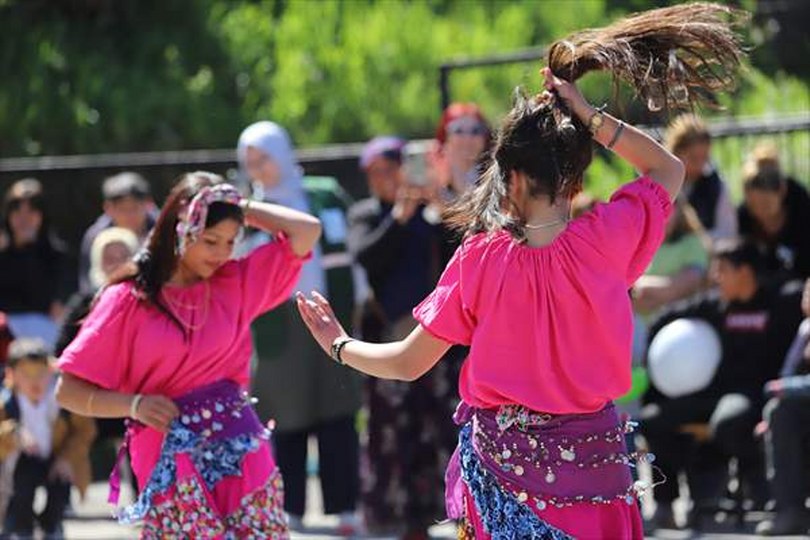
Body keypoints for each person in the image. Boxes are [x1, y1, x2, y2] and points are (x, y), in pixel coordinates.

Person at [296, 5, 745, 536]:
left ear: (508, 179)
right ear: (575, 180)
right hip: (593, 469)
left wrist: (338, 344)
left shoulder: (481, 259)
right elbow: (666, 168)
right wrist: (590, 115)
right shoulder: (607, 237)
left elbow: (406, 362)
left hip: (504, 475)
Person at [55, 171, 321, 537]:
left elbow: (306, 231)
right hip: (166, 447)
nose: (223, 252)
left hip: (237, 441)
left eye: (230, 241)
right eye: (211, 240)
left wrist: (236, 204)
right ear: (181, 227)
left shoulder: (235, 282)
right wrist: (134, 405)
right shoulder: (129, 299)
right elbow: (67, 391)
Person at [237, 122, 363, 533]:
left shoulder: (324, 194)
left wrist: (358, 299)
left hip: (329, 317)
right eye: (250, 161)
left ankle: (345, 507)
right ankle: (289, 508)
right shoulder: (246, 213)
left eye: (265, 157)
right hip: (277, 325)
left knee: (337, 410)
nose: (260, 169)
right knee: (285, 417)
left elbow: (351, 253)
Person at [640, 240, 804, 530]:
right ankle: (666, 503)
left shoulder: (779, 304)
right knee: (653, 420)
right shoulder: (715, 306)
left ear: (745, 272)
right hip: (712, 394)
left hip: (754, 395)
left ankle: (752, 492)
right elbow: (664, 319)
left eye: (722, 269)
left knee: (728, 423)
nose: (715, 276)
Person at [349, 136, 456, 538]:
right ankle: (400, 517)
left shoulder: (432, 214)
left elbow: (463, 249)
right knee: (392, 427)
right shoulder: (366, 215)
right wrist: (397, 217)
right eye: (374, 173)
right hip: (386, 337)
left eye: (390, 169)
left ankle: (441, 512)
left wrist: (438, 203)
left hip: (436, 337)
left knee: (437, 423)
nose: (383, 179)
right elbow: (366, 256)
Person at [0, 338, 96, 537]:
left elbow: (84, 431)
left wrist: (67, 458)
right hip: (18, 465)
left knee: (60, 485)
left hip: (55, 458)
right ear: (11, 375)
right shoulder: (6, 404)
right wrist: (14, 434)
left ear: (51, 371)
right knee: (21, 492)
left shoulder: (63, 400)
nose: (35, 381)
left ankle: (52, 524)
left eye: (41, 373)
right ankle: (19, 525)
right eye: (26, 374)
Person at [55, 228, 141, 444]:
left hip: (135, 395)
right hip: (94, 395)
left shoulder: (146, 301)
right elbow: (62, 349)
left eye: (123, 256)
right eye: (109, 258)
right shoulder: (84, 302)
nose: (117, 263)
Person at [756, 277, 810, 535]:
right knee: (778, 413)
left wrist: (782, 389)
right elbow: (787, 373)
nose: (807, 299)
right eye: (807, 293)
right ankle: (790, 511)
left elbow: (783, 384)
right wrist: (780, 393)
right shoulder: (805, 329)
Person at [0, 179, 71, 348]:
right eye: (17, 212)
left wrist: (28, 249)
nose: (23, 219)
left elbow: (51, 300)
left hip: (43, 331)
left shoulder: (57, 255)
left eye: (31, 212)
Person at [738, 142, 810, 280]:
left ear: (781, 191)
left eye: (765, 204)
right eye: (753, 205)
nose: (760, 212)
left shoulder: (802, 207)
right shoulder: (744, 217)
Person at [78, 172, 156, 294]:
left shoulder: (161, 231)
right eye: (122, 209)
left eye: (135, 208)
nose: (129, 215)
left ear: (148, 204)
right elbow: (87, 283)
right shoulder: (96, 236)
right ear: (108, 208)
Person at [664, 114, 737, 242]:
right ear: (675, 152)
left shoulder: (715, 185)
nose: (700, 166)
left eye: (704, 158)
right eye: (693, 159)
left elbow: (727, 231)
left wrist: (696, 243)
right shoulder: (659, 183)